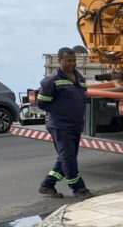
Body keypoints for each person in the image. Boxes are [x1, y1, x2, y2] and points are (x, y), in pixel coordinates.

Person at [37, 47, 93, 199]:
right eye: (68, 60)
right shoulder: (51, 81)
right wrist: (59, 111)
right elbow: (42, 103)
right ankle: (78, 188)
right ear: (59, 61)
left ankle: (47, 185)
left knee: (66, 157)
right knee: (68, 158)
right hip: (60, 126)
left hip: (75, 125)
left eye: (74, 60)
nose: (72, 63)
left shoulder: (79, 78)